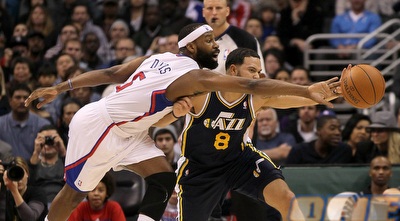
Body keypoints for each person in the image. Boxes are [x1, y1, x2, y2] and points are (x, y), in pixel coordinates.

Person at [25, 23, 341, 221]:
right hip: (102, 124)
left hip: (135, 131)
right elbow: (252, 86)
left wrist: (63, 87)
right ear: (190, 46)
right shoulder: (195, 78)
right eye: (209, 41)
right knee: (74, 194)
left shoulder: (157, 58)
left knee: (162, 180)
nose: (216, 44)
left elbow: (111, 74)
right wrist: (308, 90)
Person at [175, 47, 343, 221]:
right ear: (233, 70)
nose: (257, 76)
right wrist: (175, 111)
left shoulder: (256, 98)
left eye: (259, 72)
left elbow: (298, 100)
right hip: (200, 168)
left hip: (238, 160)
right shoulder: (204, 94)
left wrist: (333, 92)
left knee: (287, 199)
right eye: (252, 70)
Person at [202, 0, 266, 75]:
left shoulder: (246, 40)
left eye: (218, 8)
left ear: (227, 11)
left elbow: (260, 76)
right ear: (203, 12)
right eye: (209, 8)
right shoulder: (195, 39)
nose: (214, 13)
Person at [0, 83, 51, 160]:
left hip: (36, 168)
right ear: (10, 101)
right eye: (18, 97)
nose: (22, 101)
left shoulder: (43, 125)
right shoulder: (0, 124)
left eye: (26, 97)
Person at [285, 115, 353, 165]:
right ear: (318, 131)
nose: (337, 133)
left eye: (339, 129)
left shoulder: (344, 151)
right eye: (332, 128)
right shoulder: (299, 151)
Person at [29, 124, 66, 208]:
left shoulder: (66, 161)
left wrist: (62, 150)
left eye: (52, 139)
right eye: (45, 139)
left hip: (63, 203)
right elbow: (28, 184)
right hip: (39, 204)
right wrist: (36, 152)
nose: (49, 143)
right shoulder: (32, 163)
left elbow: (74, 176)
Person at [2, 156, 48, 221]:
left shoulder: (38, 193)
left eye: (21, 173)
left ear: (27, 174)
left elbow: (30, 218)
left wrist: (14, 191)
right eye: (14, 174)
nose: (19, 179)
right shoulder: (5, 195)